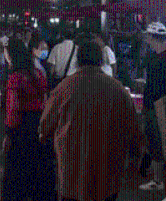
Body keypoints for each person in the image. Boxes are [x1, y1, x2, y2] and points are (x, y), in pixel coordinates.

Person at [40, 38, 145, 201]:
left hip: (72, 172)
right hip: (107, 171)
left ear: (78, 60)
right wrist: (136, 154)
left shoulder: (64, 87)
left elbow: (45, 126)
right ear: (101, 60)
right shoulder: (118, 89)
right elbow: (133, 129)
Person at [1, 38, 54, 201]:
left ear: (11, 55)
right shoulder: (37, 73)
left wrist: (9, 133)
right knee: (38, 168)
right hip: (38, 124)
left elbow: (13, 110)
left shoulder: (15, 78)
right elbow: (45, 99)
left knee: (18, 170)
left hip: (22, 128)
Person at [139, 22, 166, 201]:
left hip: (165, 108)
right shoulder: (153, 55)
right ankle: (158, 181)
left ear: (152, 37)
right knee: (154, 144)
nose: (145, 39)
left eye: (147, 36)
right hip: (152, 106)